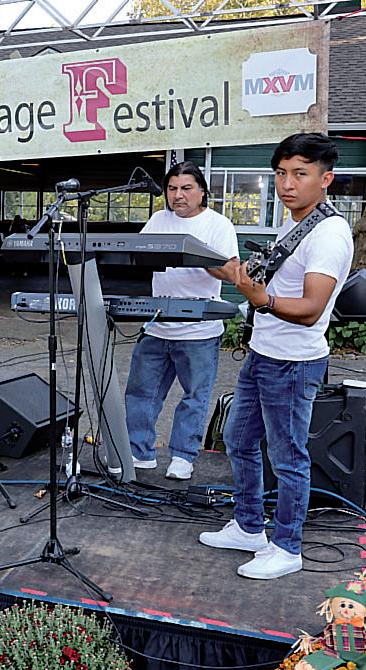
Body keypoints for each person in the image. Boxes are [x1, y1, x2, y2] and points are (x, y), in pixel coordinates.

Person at [199, 133, 353, 580]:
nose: (287, 184)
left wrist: (260, 299)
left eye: (300, 174)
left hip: (293, 362)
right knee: (238, 440)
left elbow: (310, 309)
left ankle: (287, 546)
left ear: (326, 179)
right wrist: (226, 270)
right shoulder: (294, 223)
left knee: (288, 458)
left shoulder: (329, 234)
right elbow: (266, 281)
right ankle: (250, 526)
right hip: (263, 353)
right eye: (282, 173)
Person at [123, 161, 239, 481]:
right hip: (157, 324)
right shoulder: (158, 220)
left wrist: (194, 255)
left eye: (186, 188)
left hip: (199, 330)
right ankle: (139, 452)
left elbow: (232, 272)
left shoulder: (218, 224)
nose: (178, 195)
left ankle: (183, 456)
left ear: (202, 191)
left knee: (194, 397)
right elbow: (138, 257)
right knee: (141, 394)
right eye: (172, 189)